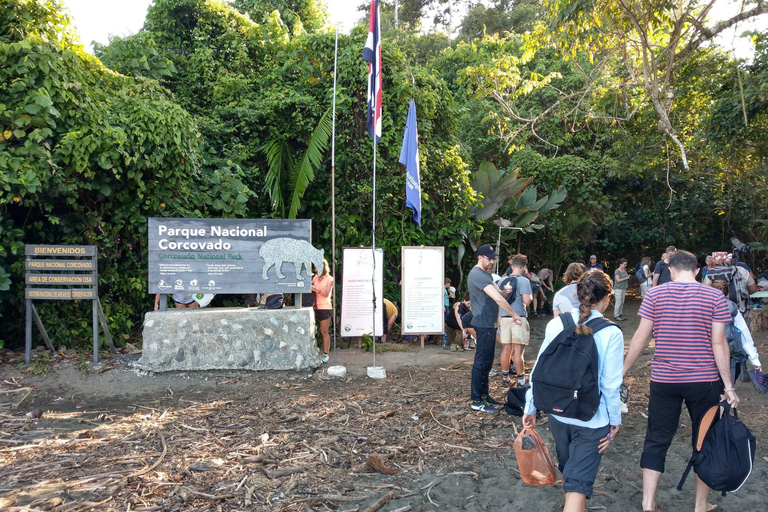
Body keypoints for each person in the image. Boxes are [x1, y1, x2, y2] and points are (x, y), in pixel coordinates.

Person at [623, 250, 739, 512]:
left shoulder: (654, 294)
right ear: (698, 270)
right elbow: (719, 343)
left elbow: (641, 336)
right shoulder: (714, 296)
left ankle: (648, 503)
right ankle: (700, 505)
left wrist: (623, 369)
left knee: (656, 439)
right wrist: (729, 386)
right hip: (704, 381)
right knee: (705, 439)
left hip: (664, 380)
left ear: (671, 269)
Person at [523, 270, 623, 512]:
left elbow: (540, 368)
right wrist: (614, 420)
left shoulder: (557, 323)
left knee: (570, 473)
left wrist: (531, 406)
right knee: (578, 484)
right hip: (592, 418)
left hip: (558, 413)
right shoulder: (611, 333)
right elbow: (610, 385)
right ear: (607, 297)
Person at [468, 244, 524, 414]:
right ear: (480, 257)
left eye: (493, 258)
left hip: (489, 323)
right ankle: (477, 400)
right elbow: (498, 301)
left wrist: (506, 291)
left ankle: (485, 396)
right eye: (489, 258)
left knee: (487, 361)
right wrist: (514, 314)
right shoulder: (477, 274)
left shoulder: (485, 274)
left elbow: (499, 295)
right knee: (481, 362)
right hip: (482, 322)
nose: (491, 261)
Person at [709, 279, 762, 379]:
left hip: (707, 357)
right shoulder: (732, 309)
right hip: (730, 355)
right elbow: (744, 334)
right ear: (728, 293)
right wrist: (755, 360)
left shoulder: (702, 307)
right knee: (727, 387)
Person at [498, 255, 532, 387]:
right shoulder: (524, 281)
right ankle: (521, 380)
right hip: (518, 318)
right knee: (518, 351)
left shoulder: (503, 280)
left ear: (511, 266)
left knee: (506, 349)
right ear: (524, 268)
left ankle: (505, 378)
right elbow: (527, 301)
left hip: (504, 318)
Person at [703, 251, 758, 325]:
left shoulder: (710, 274)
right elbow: (753, 289)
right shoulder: (741, 270)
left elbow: (705, 294)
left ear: (713, 262)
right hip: (741, 313)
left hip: (719, 315)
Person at [311, 259, 333, 364]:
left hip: (325, 307)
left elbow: (327, 294)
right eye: (315, 267)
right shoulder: (315, 277)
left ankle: (326, 353)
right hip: (314, 307)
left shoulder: (330, 279)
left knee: (324, 332)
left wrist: (316, 289)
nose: (315, 269)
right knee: (311, 331)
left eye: (317, 267)